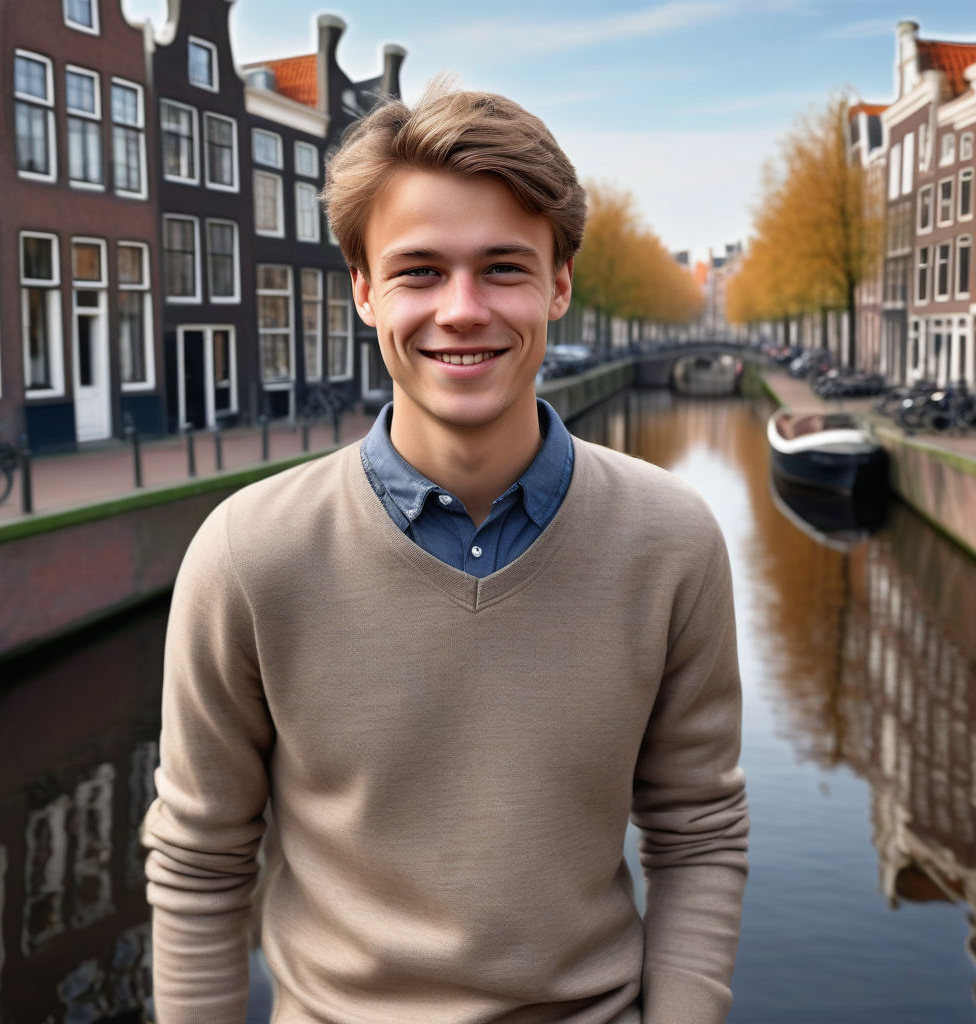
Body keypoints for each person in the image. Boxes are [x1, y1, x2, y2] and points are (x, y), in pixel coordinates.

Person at [142, 85, 748, 1024]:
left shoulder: (672, 541)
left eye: (503, 268)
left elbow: (698, 831)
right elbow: (199, 863)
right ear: (363, 289)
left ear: (559, 284)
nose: (462, 310)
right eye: (419, 271)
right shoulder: (249, 555)